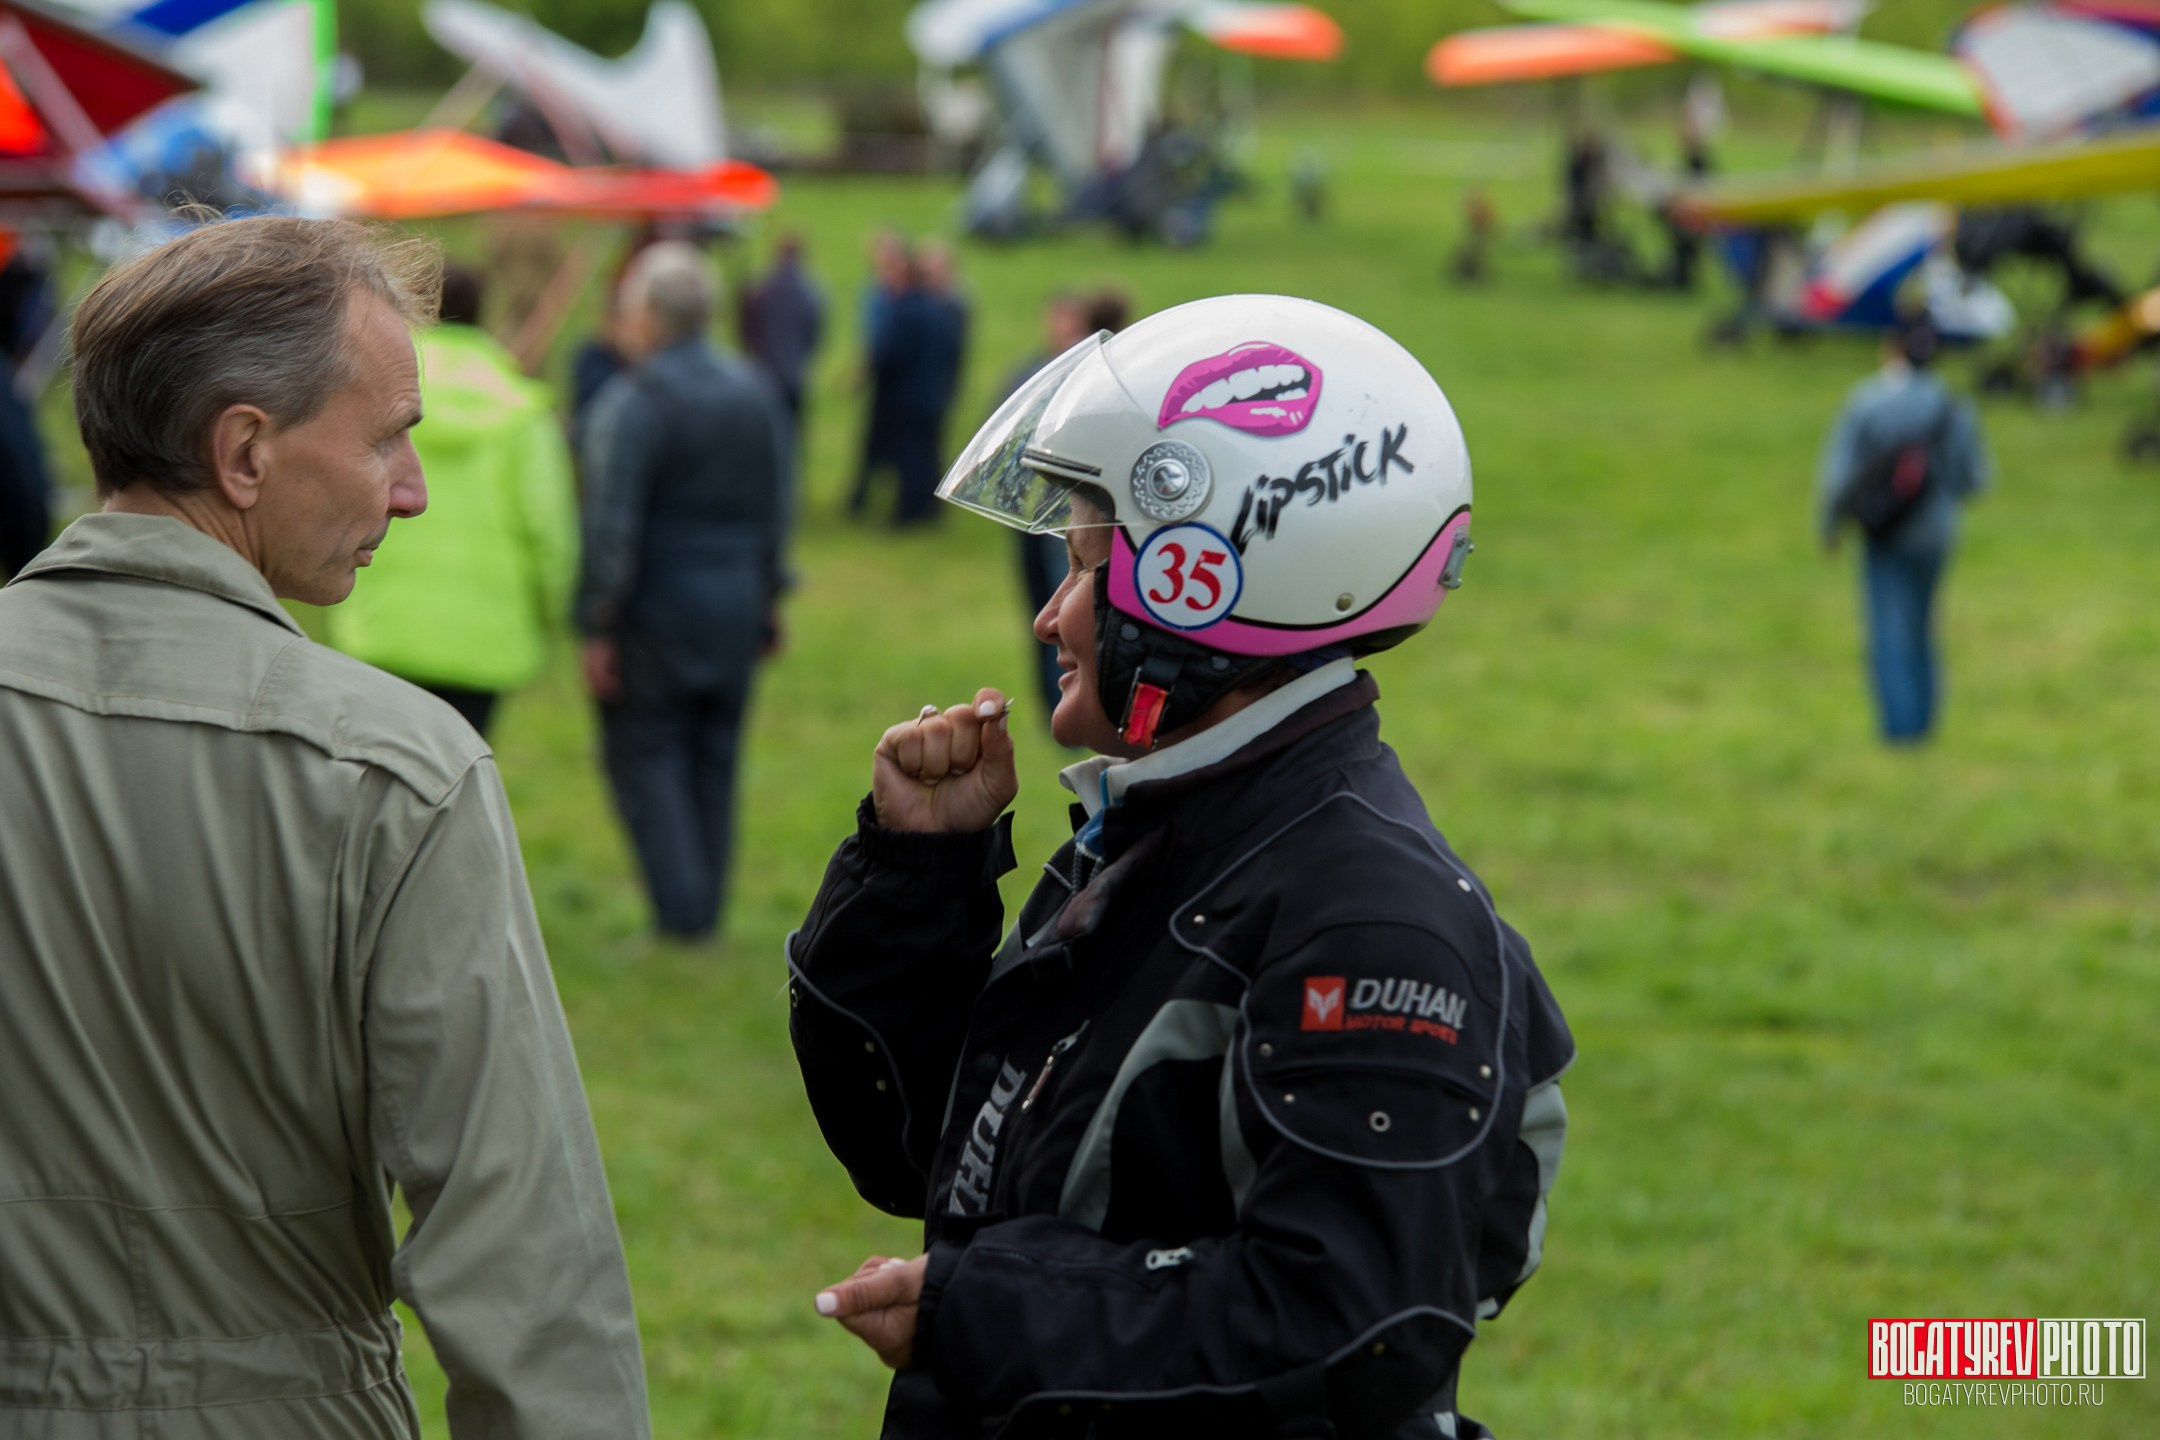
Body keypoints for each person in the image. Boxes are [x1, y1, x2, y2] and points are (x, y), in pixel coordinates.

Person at [790, 295, 1575, 1440]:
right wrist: (918, 875)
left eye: (1080, 565)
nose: (1051, 617)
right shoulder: (1178, 827)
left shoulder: (1367, 922)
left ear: (1217, 580)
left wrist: (991, 1312)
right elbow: (944, 1164)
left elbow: (1356, 1327)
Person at [0, 216, 649, 1438]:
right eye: (389, 438)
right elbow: (522, 1254)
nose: (409, 490)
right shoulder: (395, 771)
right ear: (243, 452)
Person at [577, 241, 792, 942]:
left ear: (647, 314)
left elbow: (611, 525)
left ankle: (682, 918)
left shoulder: (635, 400)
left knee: (648, 749)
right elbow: (775, 506)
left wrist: (597, 622)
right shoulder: (755, 392)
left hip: (656, 607)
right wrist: (770, 598)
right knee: (715, 753)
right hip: (735, 601)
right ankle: (703, 911)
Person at [324, 262, 577, 736]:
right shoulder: (521, 409)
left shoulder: (377, 396)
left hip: (384, 626)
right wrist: (555, 610)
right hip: (484, 637)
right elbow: (548, 528)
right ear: (485, 313)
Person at [1818, 318, 1992, 743]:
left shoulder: (1867, 402)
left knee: (1888, 627)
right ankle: (1926, 719)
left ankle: (1900, 730)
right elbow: (1977, 481)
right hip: (1937, 533)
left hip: (1885, 532)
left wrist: (1828, 524)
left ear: (1891, 349)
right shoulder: (1954, 407)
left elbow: (1838, 473)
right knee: (1922, 623)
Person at [1003, 291, 1096, 721]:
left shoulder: (1098, 380)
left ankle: (1073, 701)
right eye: (1056, 317)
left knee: (1068, 615)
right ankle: (1054, 701)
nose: (1060, 328)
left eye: (1070, 318)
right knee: (1043, 609)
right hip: (1033, 513)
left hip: (1072, 517)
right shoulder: (1033, 372)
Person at [871, 243, 969, 527]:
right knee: (929, 452)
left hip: (906, 397)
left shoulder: (904, 311)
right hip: (935, 394)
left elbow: (889, 355)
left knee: (909, 456)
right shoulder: (941, 311)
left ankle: (908, 512)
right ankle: (931, 507)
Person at [739, 230, 826, 444]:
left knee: (763, 438)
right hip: (795, 373)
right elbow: (815, 332)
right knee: (792, 437)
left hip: (764, 373)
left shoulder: (760, 291)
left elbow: (747, 328)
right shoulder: (811, 294)